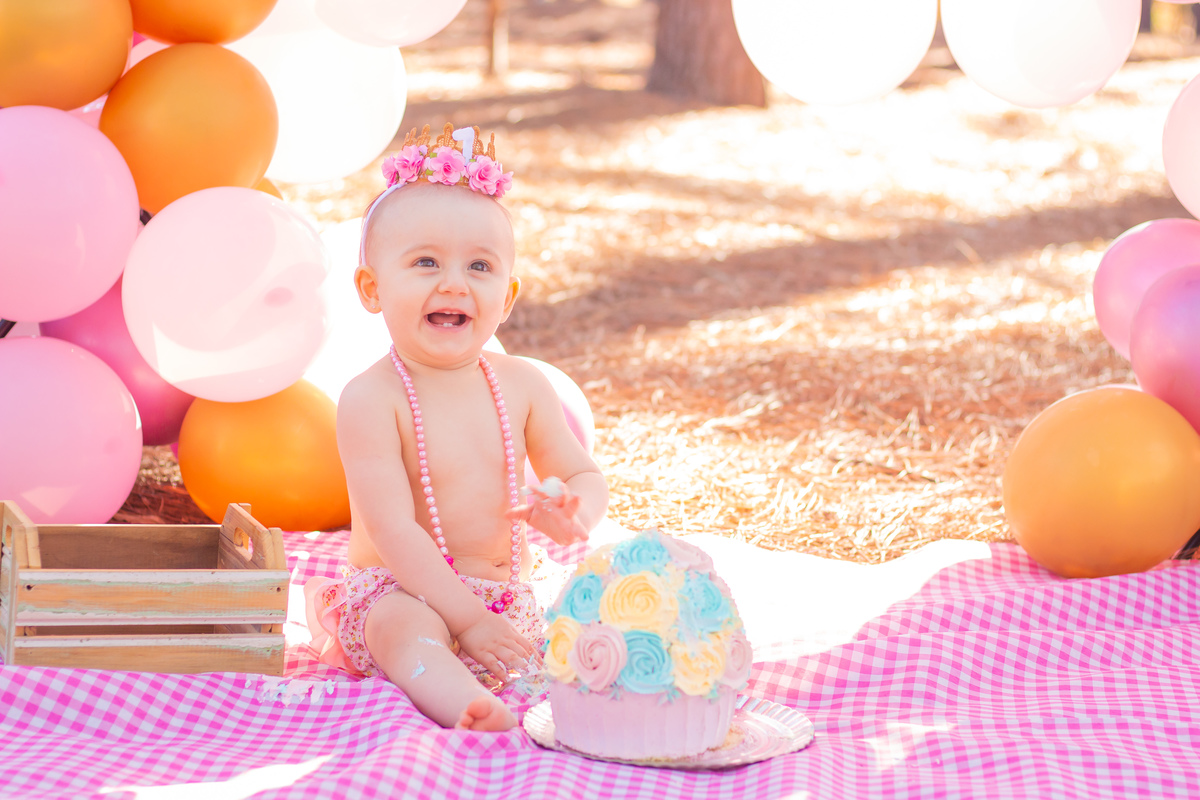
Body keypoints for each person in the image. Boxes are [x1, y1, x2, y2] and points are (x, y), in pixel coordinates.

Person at [305, 124, 608, 731]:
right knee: (405, 632)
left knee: (599, 626)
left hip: (506, 599)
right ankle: (460, 701)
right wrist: (464, 617)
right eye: (425, 262)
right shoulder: (371, 398)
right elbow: (393, 530)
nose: (454, 283)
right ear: (371, 288)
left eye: (479, 265)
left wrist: (572, 508)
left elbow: (578, 472)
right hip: (402, 588)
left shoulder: (522, 384)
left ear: (508, 296)